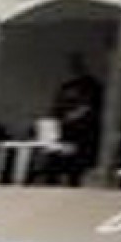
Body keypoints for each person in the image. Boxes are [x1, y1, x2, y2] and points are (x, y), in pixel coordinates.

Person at [47, 53, 104, 186]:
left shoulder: (92, 86)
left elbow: (90, 107)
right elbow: (57, 107)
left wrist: (72, 116)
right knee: (57, 157)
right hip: (65, 131)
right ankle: (55, 180)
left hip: (82, 132)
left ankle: (72, 181)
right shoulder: (67, 86)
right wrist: (56, 119)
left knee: (75, 162)